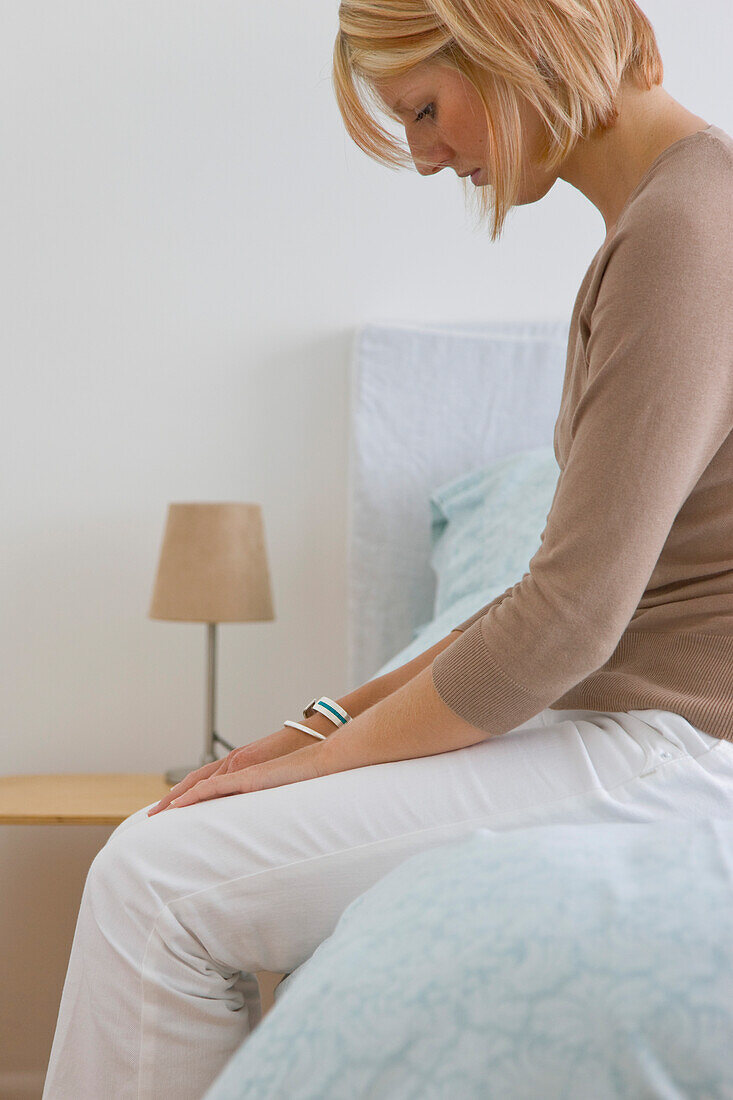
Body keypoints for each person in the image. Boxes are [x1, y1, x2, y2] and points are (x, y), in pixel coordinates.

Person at [43, 2, 733, 1097]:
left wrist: (316, 766)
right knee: (155, 859)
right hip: (623, 718)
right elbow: (543, 594)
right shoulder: (672, 213)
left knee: (153, 878)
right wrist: (315, 722)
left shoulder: (687, 229)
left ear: (521, 43)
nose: (421, 156)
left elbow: (567, 619)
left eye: (422, 108)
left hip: (671, 743)